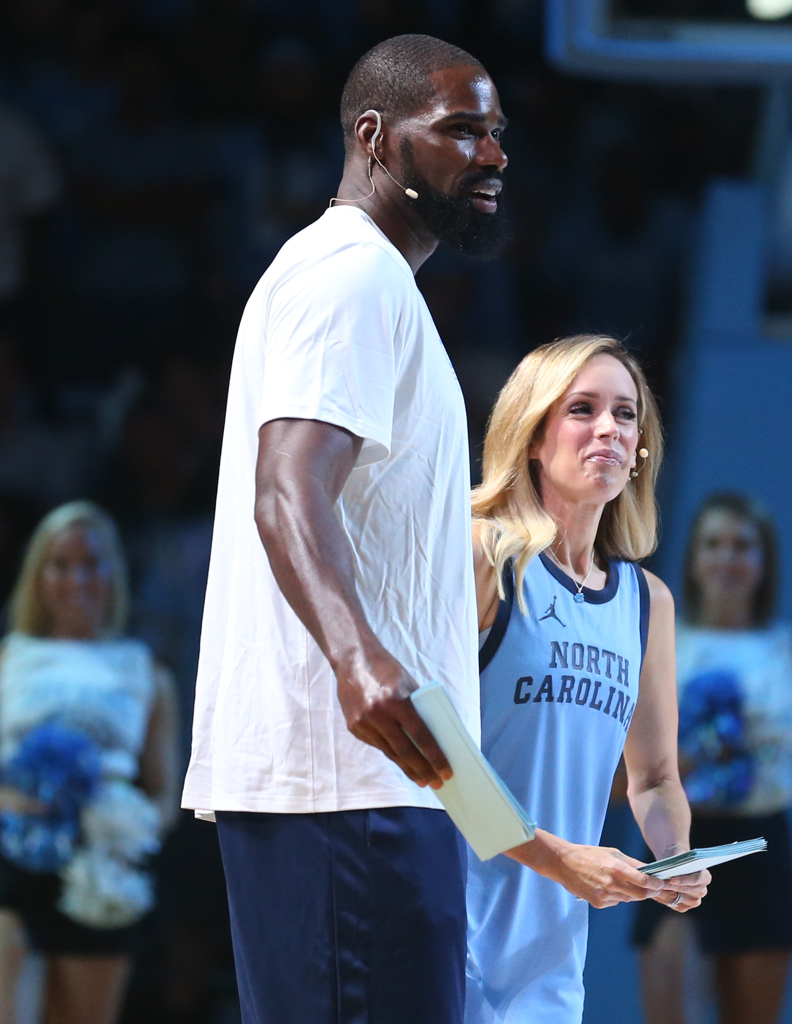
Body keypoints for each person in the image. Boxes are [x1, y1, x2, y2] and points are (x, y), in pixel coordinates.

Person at [180, 34, 509, 1024]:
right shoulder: (347, 276)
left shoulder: (366, 283)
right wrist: (357, 657)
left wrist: (490, 818)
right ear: (373, 137)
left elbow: (401, 578)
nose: (491, 154)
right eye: (460, 129)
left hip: (388, 784)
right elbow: (287, 490)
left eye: (497, 133)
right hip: (344, 784)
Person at [466, 335, 709, 1024]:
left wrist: (674, 856)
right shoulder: (484, 552)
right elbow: (433, 755)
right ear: (533, 437)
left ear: (640, 450)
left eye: (626, 414)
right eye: (582, 408)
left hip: (549, 954)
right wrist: (557, 858)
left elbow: (656, 779)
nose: (609, 428)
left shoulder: (645, 603)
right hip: (444, 921)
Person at [631, 491, 792, 1024]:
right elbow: (623, 775)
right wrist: (692, 758)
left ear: (765, 562)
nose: (727, 558)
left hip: (762, 845)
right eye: (713, 544)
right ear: (693, 559)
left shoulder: (791, 653)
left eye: (743, 546)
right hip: (678, 841)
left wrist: (778, 766)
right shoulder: (661, 642)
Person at [0, 501, 179, 1024]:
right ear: (39, 574)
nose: (77, 577)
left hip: (98, 868)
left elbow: (164, 791)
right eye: (61, 564)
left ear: (113, 573)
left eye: (91, 563)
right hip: (11, 857)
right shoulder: (10, 657)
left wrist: (127, 830)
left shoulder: (144, 670)